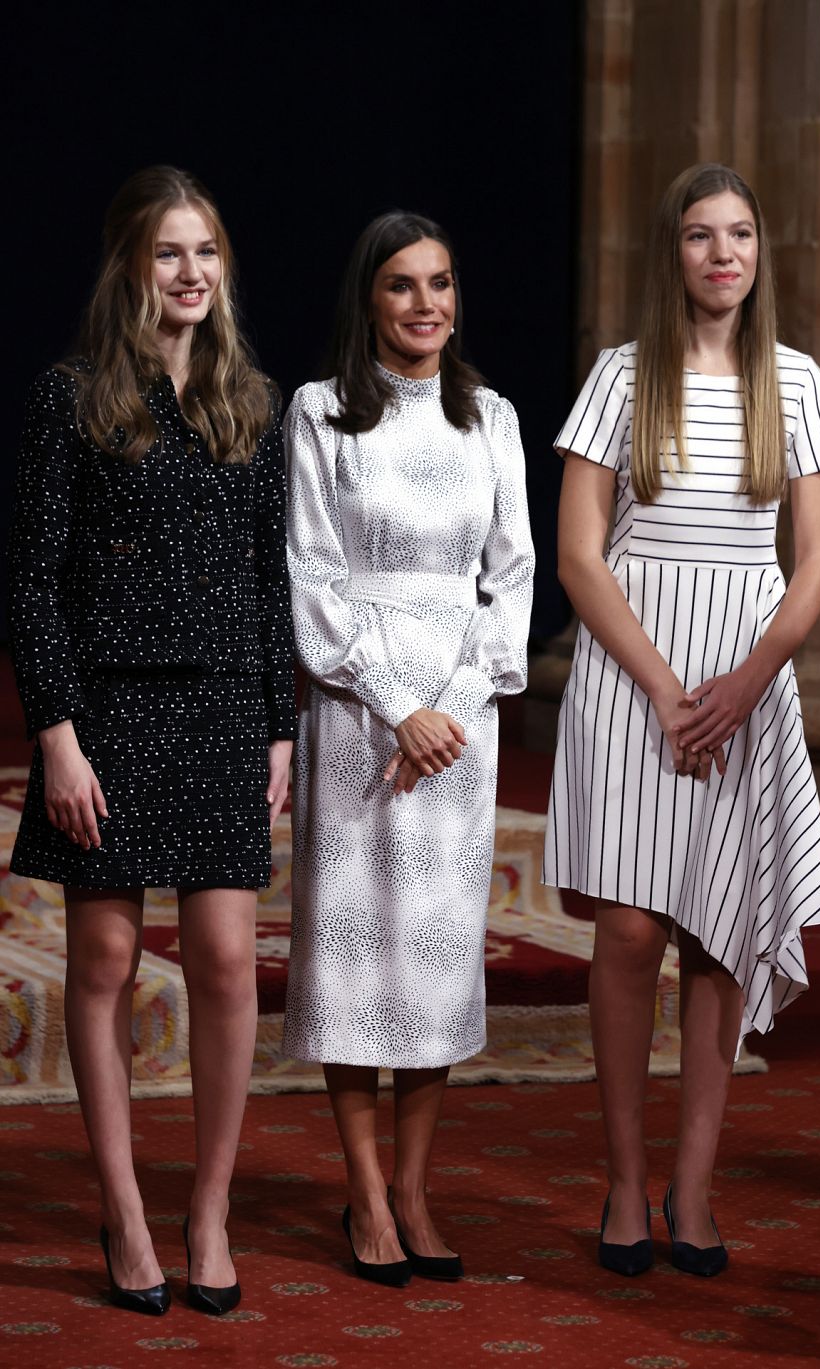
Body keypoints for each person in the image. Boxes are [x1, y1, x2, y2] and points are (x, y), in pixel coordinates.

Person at [543, 163, 820, 1278]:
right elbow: (580, 554)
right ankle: (626, 1182)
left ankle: (696, 1185)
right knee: (629, 932)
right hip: (637, 675)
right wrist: (668, 686)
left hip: (750, 677)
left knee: (721, 939)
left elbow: (815, 562)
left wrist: (750, 679)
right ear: (670, 254)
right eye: (698, 236)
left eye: (739, 235)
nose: (721, 254)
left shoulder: (800, 383)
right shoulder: (625, 378)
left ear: (760, 253)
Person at [7, 166, 295, 1315]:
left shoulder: (250, 405)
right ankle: (125, 1211)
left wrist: (280, 725)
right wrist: (58, 736)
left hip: (225, 708)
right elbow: (31, 582)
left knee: (227, 962)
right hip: (111, 715)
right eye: (170, 253)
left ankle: (208, 1208)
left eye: (207, 253)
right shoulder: (68, 397)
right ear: (133, 265)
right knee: (107, 964)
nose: (191, 273)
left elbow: (269, 581)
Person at [282, 211, 534, 1287]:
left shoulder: (493, 418)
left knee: (431, 963)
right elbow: (312, 575)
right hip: (356, 715)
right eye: (401, 286)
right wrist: (397, 703)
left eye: (440, 283)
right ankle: (366, 1194)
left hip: (457, 727)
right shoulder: (320, 414)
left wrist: (455, 703)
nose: (426, 304)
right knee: (353, 958)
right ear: (368, 300)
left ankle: (418, 1190)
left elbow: (515, 575)